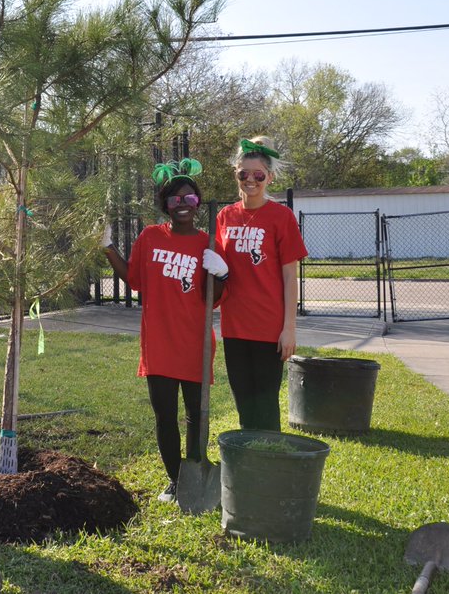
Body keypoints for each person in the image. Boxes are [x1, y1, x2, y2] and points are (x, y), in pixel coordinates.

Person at [102, 158, 228, 503]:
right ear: (166, 206)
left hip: (195, 343)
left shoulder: (209, 243)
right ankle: (175, 479)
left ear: (198, 203)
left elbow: (214, 299)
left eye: (190, 199)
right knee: (165, 416)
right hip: (158, 343)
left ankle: (196, 471)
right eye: (176, 200)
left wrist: (222, 274)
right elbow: (135, 280)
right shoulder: (150, 237)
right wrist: (108, 248)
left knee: (196, 415)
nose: (184, 205)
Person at [213, 137, 309, 432]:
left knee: (265, 405)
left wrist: (289, 328)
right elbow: (217, 270)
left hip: (269, 328)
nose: (250, 180)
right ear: (236, 175)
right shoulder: (225, 216)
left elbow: (289, 276)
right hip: (234, 325)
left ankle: (269, 465)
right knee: (244, 403)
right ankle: (247, 465)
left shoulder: (281, 217)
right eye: (244, 174)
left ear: (270, 177)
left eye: (258, 175)